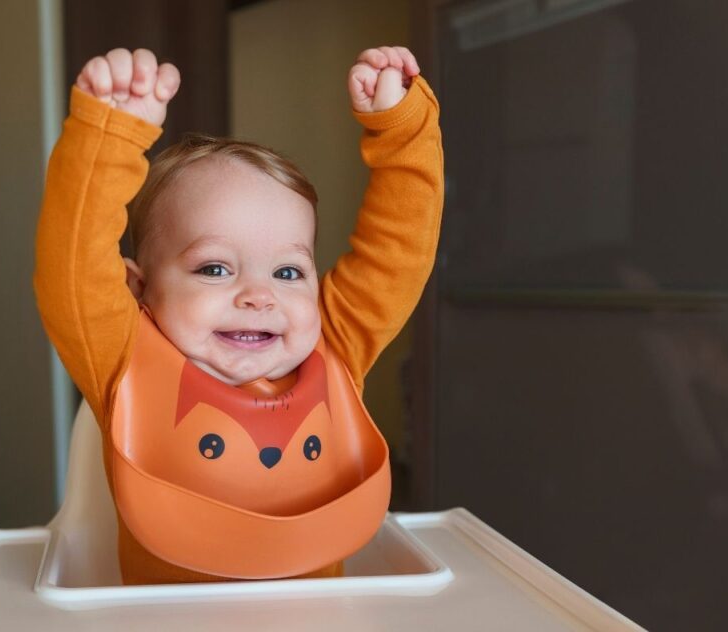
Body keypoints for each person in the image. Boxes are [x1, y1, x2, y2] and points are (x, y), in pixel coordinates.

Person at [34, 46, 443, 585]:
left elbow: (399, 249)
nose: (259, 296)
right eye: (214, 269)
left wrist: (402, 131)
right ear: (140, 288)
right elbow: (73, 266)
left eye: (289, 273)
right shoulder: (124, 360)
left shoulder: (336, 348)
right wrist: (109, 137)